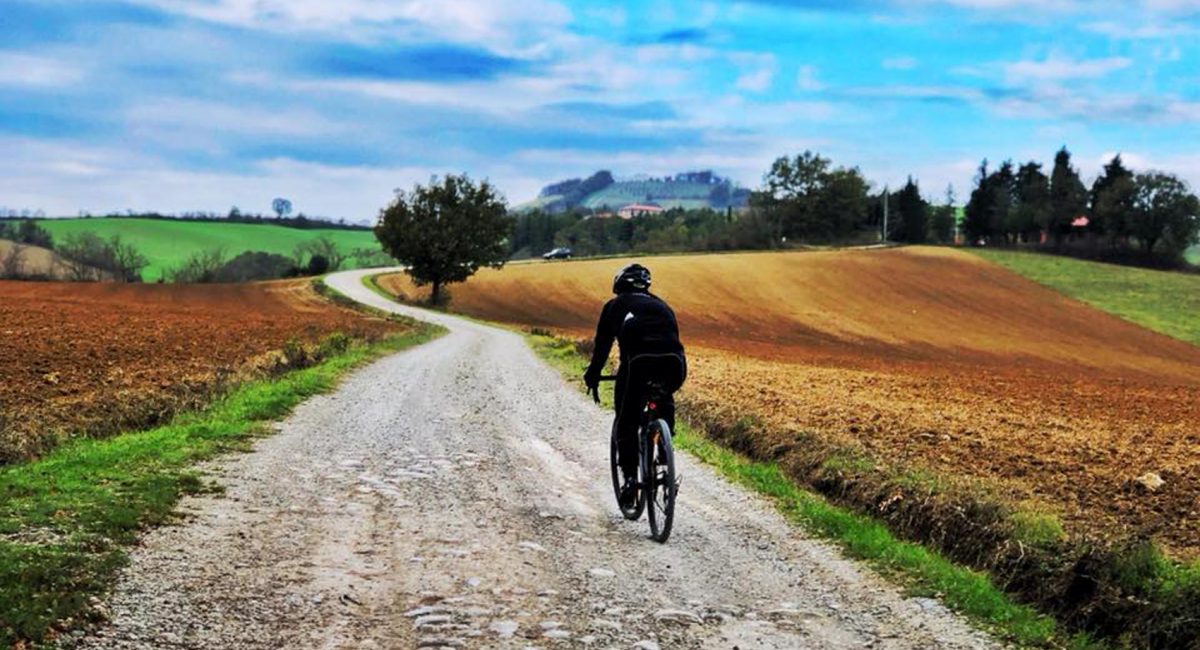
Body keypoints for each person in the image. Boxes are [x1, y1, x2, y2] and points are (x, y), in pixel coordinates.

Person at [584, 263, 687, 507]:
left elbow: (602, 348)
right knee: (662, 394)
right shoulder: (663, 306)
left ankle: (630, 481)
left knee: (626, 419)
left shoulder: (614, 306)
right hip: (675, 364)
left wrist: (593, 375)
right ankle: (664, 443)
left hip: (638, 364)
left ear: (619, 285)